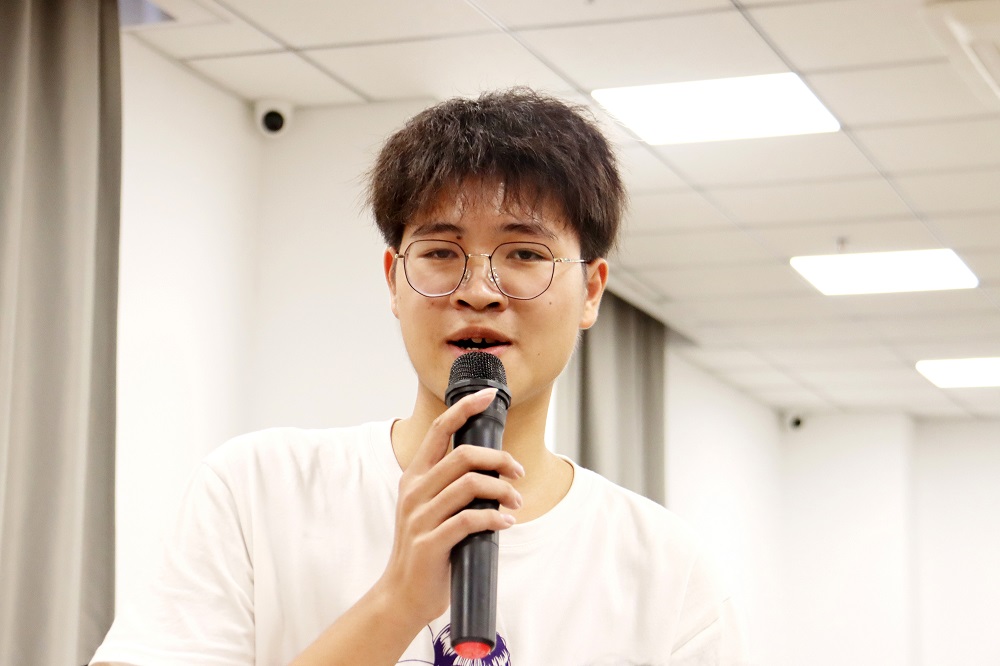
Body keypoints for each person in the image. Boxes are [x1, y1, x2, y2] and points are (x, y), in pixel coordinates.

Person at [91, 88, 746, 665]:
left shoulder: (666, 569)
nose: (479, 290)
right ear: (394, 281)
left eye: (525, 253)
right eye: (440, 252)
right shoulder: (258, 490)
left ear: (591, 291)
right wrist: (397, 602)